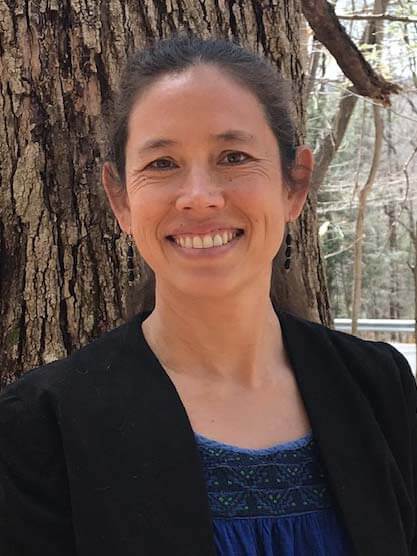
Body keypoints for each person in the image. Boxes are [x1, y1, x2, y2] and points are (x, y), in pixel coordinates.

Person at [0, 35, 416, 556]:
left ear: (295, 184)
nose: (199, 197)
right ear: (120, 199)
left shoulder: (380, 388)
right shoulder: (40, 423)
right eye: (162, 164)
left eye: (234, 156)